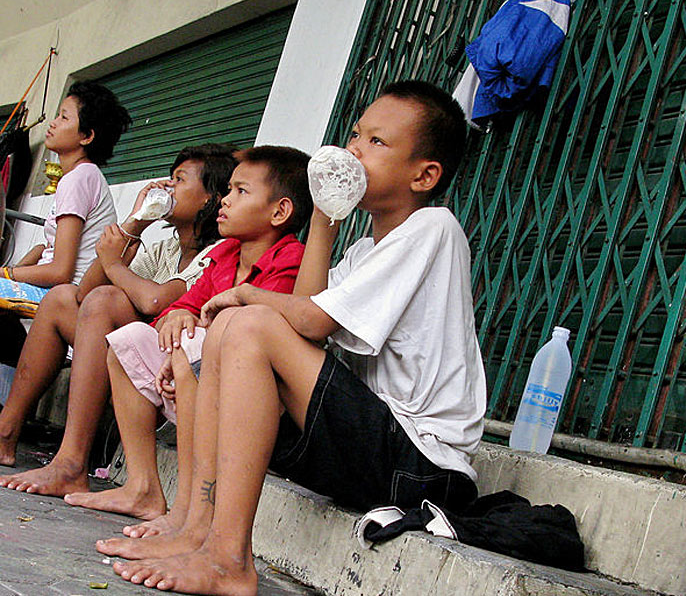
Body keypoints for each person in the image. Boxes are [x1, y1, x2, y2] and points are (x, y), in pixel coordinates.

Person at [101, 80, 486, 596]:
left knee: (247, 322)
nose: (354, 150)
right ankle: (196, 529)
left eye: (376, 142)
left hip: (423, 467)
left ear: (424, 175)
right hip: (369, 449)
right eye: (355, 135)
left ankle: (228, 560)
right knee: (229, 330)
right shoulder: (363, 251)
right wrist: (324, 218)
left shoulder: (433, 228)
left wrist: (245, 295)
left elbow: (310, 321)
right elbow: (306, 313)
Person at [63, 146, 312, 532]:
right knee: (128, 339)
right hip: (196, 381)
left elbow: (250, 330)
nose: (225, 200)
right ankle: (142, 487)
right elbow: (180, 308)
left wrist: (189, 329)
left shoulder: (291, 260)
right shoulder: (224, 255)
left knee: (193, 348)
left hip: (252, 402)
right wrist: (179, 314)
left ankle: (188, 509)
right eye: (228, 190)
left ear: (279, 212)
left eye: (240, 192)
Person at [0, 144, 237, 497]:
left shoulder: (217, 251)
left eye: (179, 180)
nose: (166, 188)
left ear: (210, 199)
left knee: (106, 301)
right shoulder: (165, 248)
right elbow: (83, 293)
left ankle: (72, 462)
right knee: (61, 298)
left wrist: (113, 263)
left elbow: (155, 300)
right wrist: (134, 224)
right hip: (124, 352)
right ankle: (6, 430)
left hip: (166, 365)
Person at [0, 81, 131, 364]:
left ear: (87, 136)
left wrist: (7, 274)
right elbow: (50, 250)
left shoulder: (77, 179)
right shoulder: (85, 176)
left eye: (64, 117)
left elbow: (60, 270)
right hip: (58, 298)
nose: (53, 123)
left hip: (61, 306)